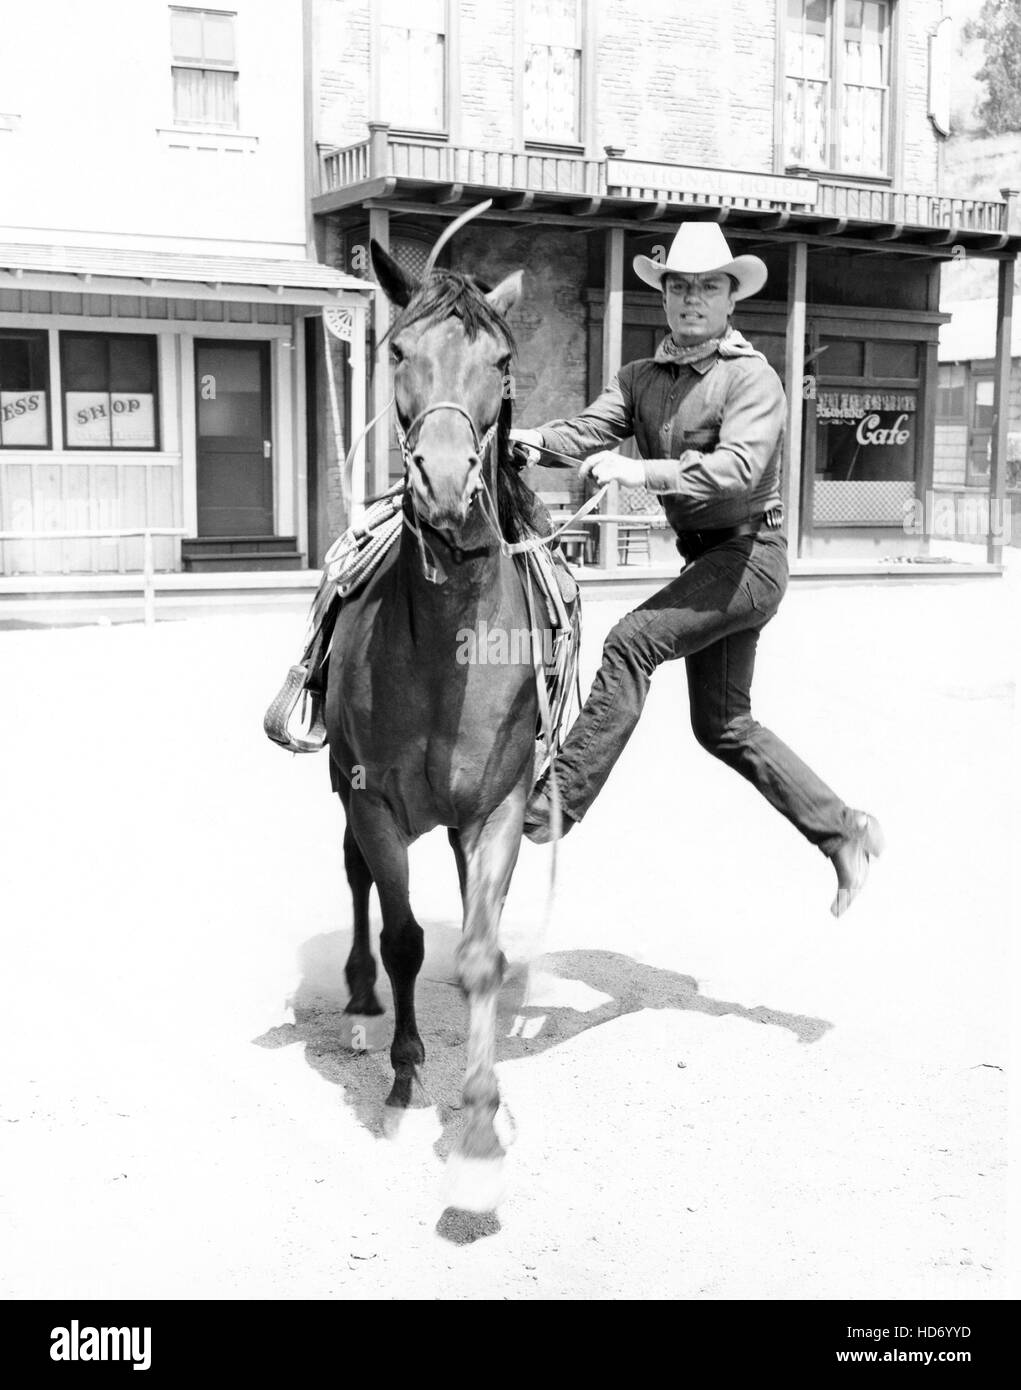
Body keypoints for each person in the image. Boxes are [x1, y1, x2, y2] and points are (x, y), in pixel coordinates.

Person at [510, 222, 884, 917]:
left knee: (631, 641)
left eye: (706, 287)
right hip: (709, 559)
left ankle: (551, 805)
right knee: (721, 726)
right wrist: (529, 440)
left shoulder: (751, 378)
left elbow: (737, 469)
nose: (690, 299)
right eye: (678, 287)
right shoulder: (639, 378)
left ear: (728, 298)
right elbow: (585, 432)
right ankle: (844, 831)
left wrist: (638, 470)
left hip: (750, 556)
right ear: (664, 296)